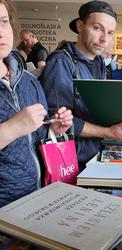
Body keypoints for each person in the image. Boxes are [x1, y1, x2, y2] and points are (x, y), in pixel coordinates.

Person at [40, 1, 122, 169]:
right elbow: (57, 119)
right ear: (80, 26)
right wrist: (106, 132)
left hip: (97, 153)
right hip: (73, 160)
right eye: (97, 28)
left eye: (110, 32)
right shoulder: (61, 62)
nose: (104, 38)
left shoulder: (98, 62)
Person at [0, 0, 73, 207]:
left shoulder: (29, 82)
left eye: (3, 21)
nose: (0, 32)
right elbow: (16, 130)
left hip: (37, 199)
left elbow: (35, 138)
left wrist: (53, 129)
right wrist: (11, 128)